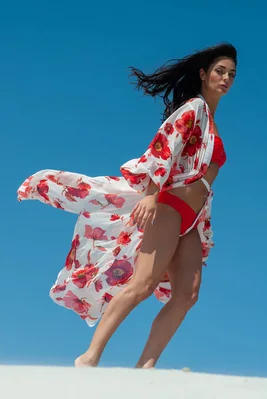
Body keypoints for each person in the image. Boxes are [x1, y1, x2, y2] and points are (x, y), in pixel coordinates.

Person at [17, 42, 237, 368]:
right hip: (170, 205)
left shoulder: (213, 122)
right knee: (142, 285)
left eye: (232, 74)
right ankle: (89, 358)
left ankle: (144, 368)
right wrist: (150, 194)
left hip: (193, 217)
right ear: (204, 74)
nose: (226, 78)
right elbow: (166, 145)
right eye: (220, 71)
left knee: (188, 294)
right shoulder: (193, 109)